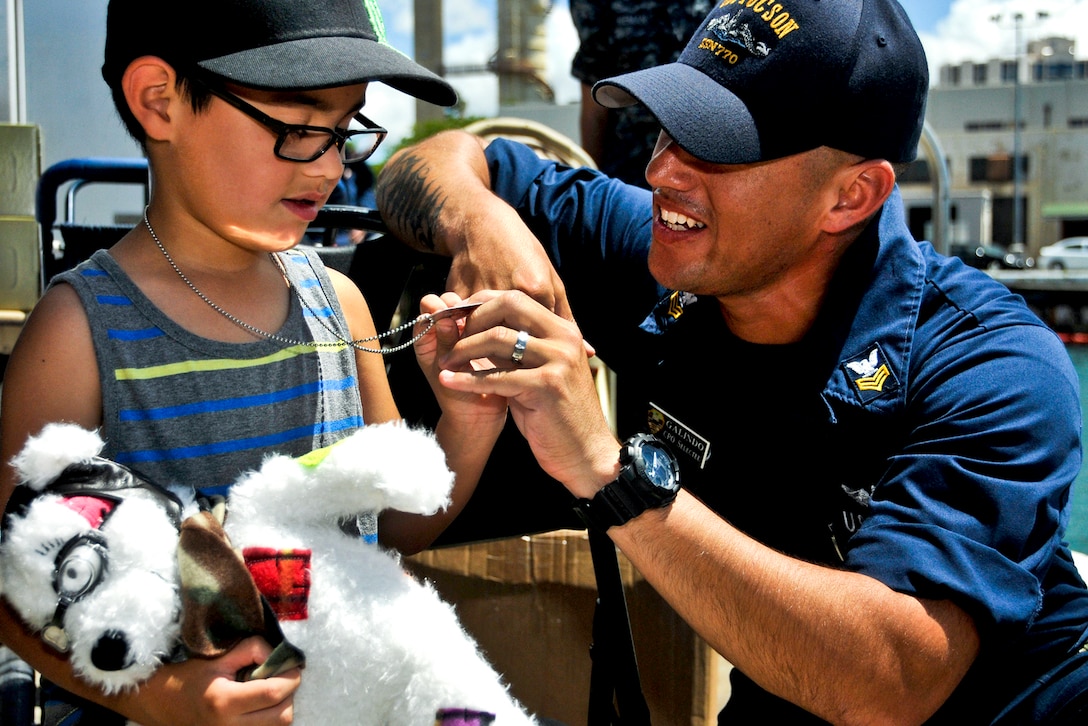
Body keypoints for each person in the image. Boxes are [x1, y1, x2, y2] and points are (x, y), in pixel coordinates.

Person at [376, 0, 1088, 722]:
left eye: (715, 145)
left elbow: (890, 684)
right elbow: (433, 161)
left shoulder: (993, 366)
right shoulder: (669, 253)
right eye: (666, 128)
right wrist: (478, 219)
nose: (660, 170)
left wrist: (612, 474)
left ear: (852, 195)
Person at [0, 1, 506, 724]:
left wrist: (469, 420)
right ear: (159, 101)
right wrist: (159, 697)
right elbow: (14, 577)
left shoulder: (339, 305)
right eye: (299, 128)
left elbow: (388, 531)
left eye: (344, 130)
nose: (331, 165)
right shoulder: (79, 334)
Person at [570, 0, 712, 186]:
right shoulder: (597, 6)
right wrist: (591, 182)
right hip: (628, 174)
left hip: (709, 168)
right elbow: (594, 109)